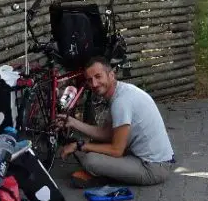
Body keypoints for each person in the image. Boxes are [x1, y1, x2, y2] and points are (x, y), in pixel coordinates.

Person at [60, 56, 175, 187]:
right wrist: (72, 122)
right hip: (150, 159)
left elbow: (116, 150)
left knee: (90, 160)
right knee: (91, 146)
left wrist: (79, 145)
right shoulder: (121, 91)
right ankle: (105, 173)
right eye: (90, 80)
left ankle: (103, 177)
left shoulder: (120, 103)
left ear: (111, 75)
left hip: (152, 168)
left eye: (98, 76)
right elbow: (106, 133)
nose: (94, 84)